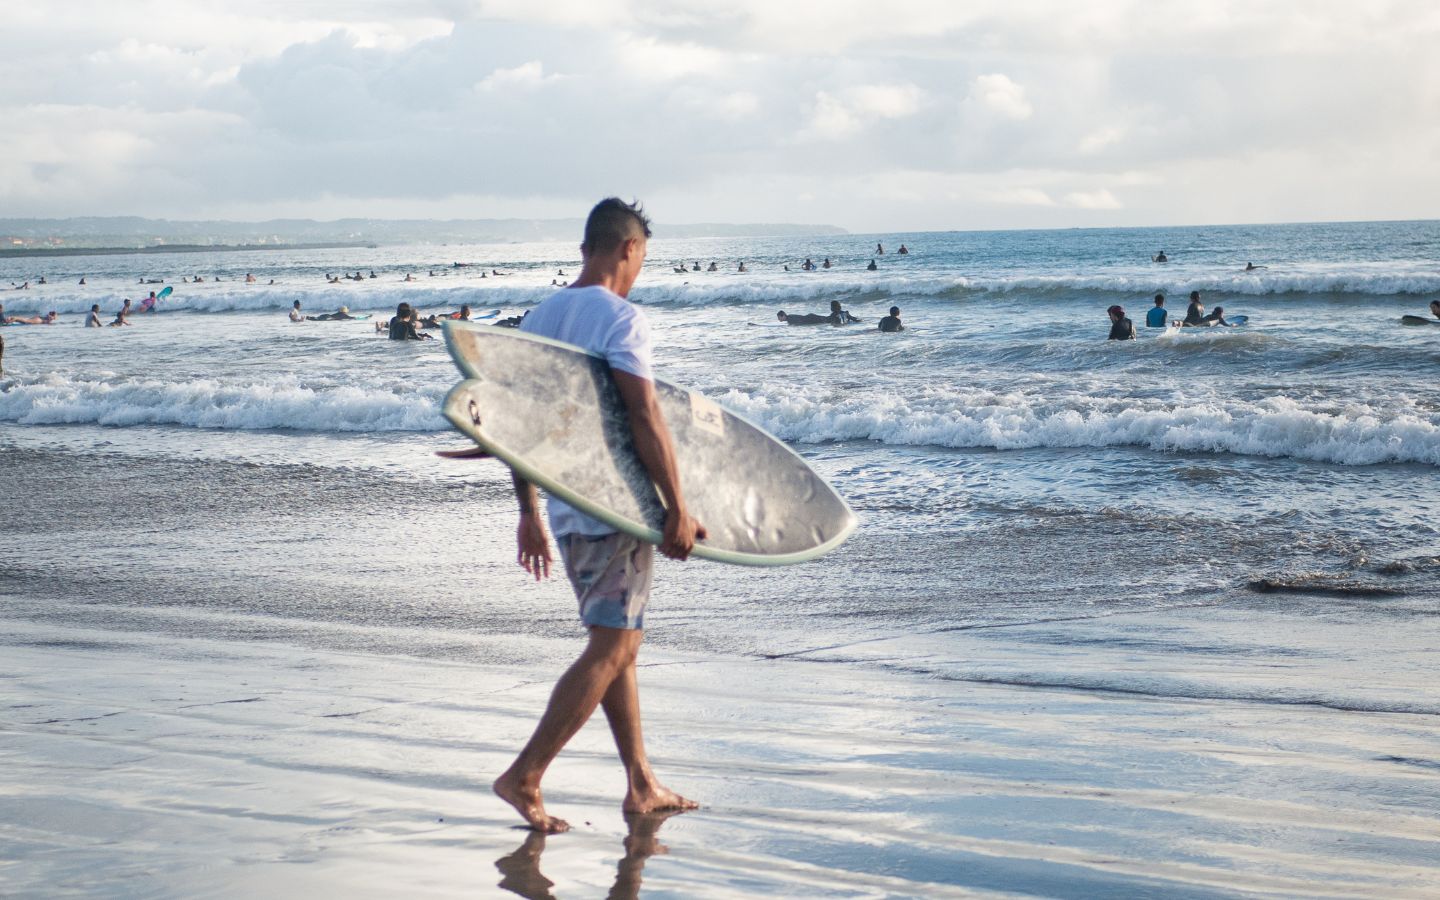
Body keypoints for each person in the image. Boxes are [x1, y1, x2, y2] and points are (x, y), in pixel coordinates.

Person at [494, 198, 704, 833]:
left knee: (621, 645)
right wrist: (676, 508)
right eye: (642, 259)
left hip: (566, 507)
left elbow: (516, 425)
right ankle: (525, 774)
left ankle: (641, 783)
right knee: (613, 644)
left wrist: (529, 510)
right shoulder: (622, 318)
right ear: (628, 250)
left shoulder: (540, 315)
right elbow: (644, 416)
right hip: (615, 508)